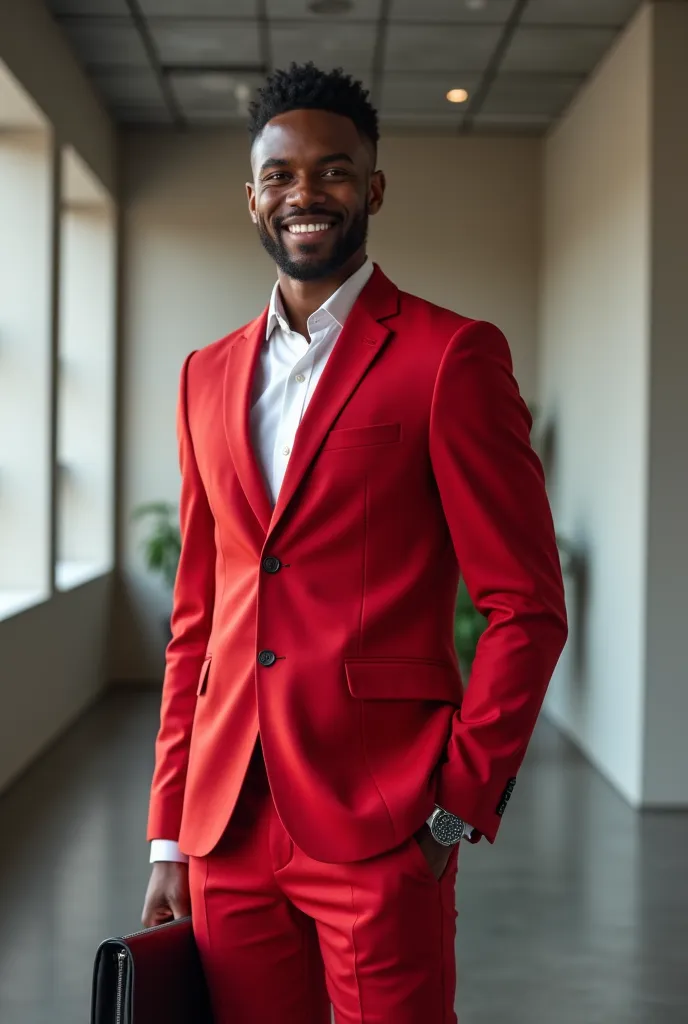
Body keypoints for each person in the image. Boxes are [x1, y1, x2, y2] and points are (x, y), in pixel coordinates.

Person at [141, 62, 568, 1024]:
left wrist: (455, 806)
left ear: (371, 190)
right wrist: (170, 835)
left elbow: (527, 609)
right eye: (282, 175)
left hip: (379, 817)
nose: (307, 194)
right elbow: (195, 623)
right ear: (252, 198)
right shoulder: (204, 377)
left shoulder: (449, 356)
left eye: (333, 172)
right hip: (227, 825)